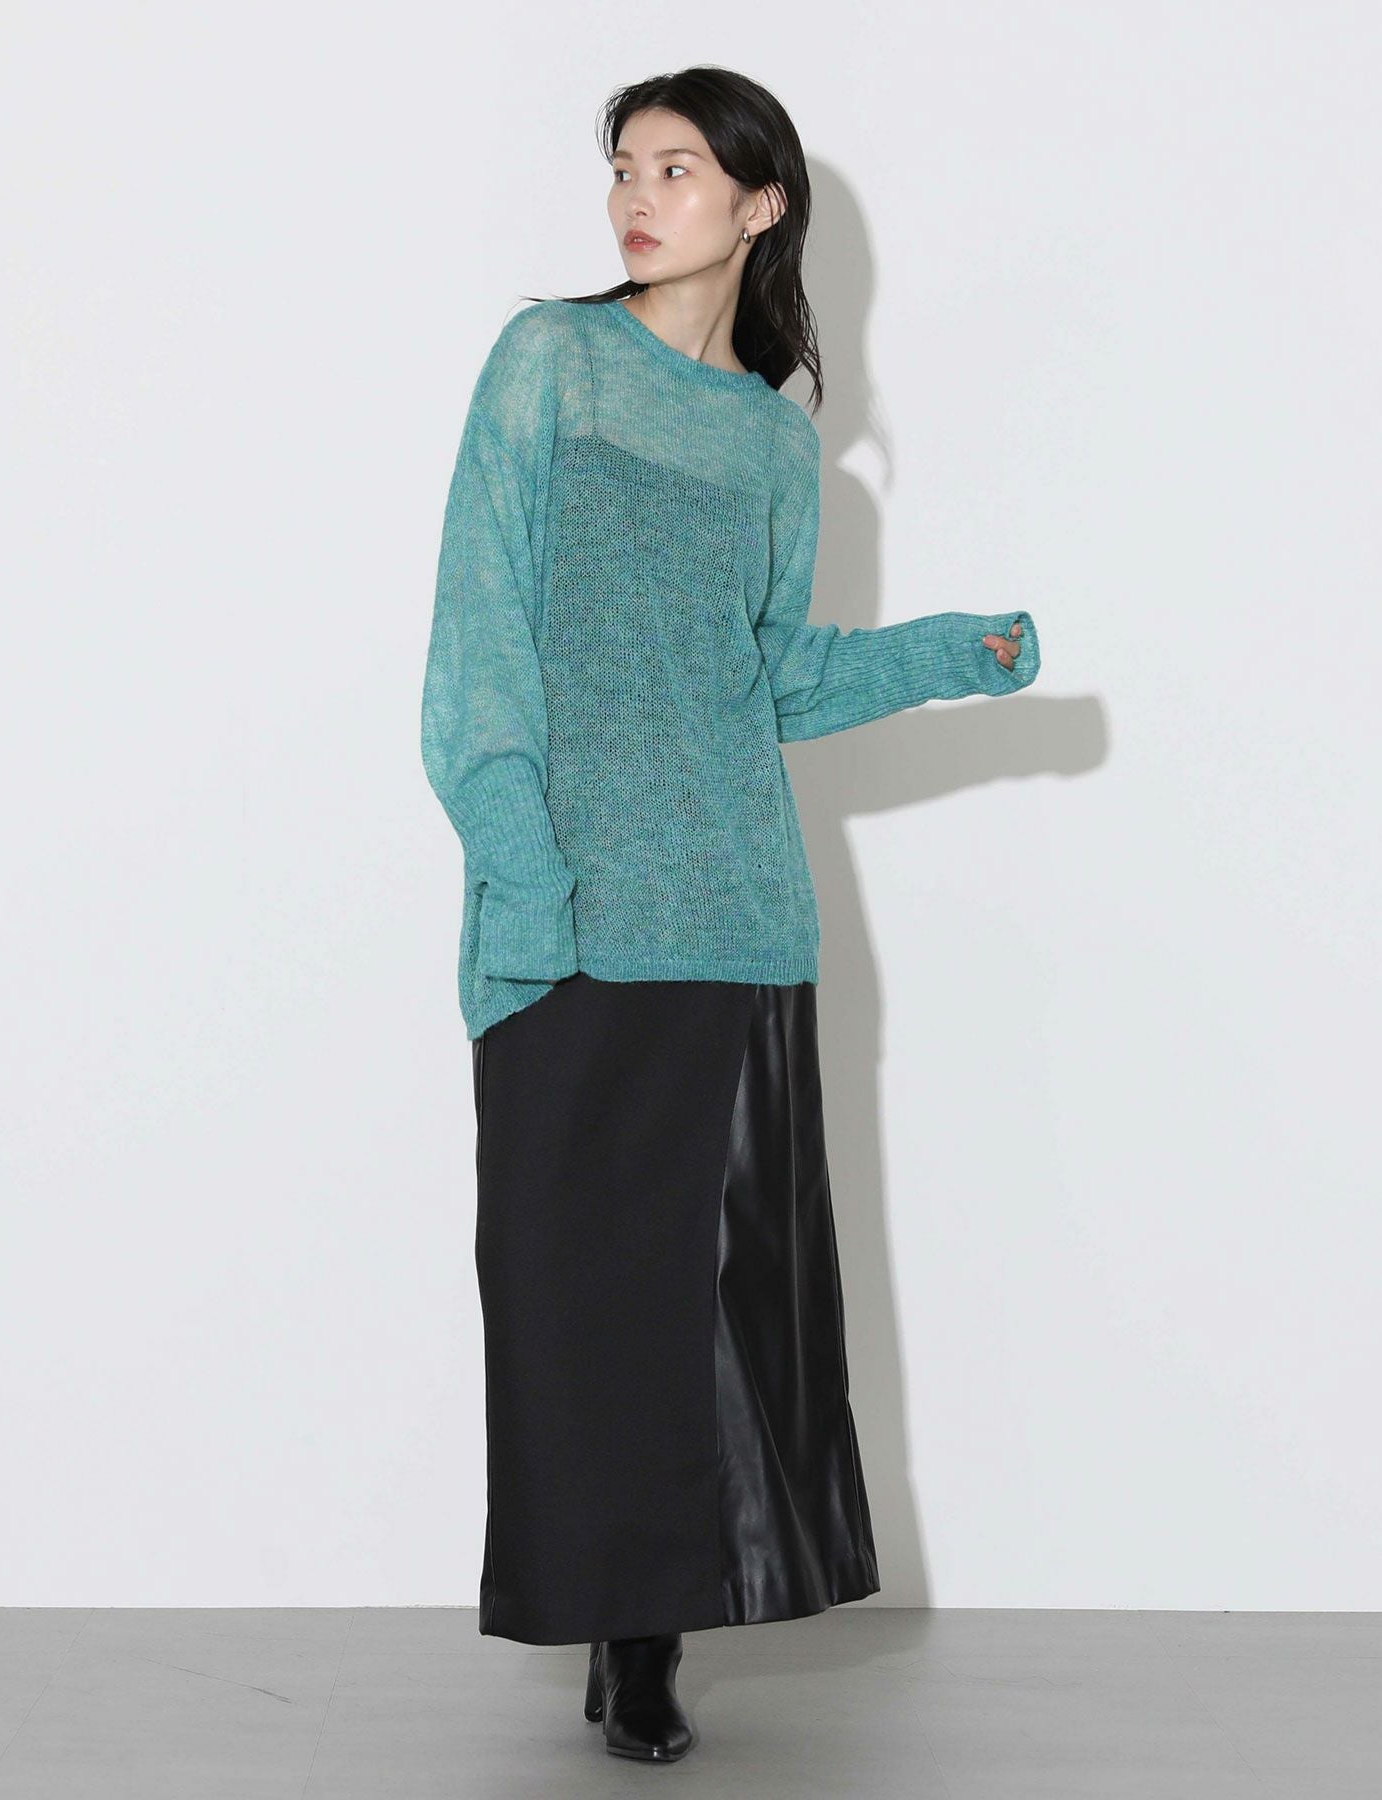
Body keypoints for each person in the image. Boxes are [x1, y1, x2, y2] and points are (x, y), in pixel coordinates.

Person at [420, 64, 1040, 1765]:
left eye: (677, 168)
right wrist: (524, 876)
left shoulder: (775, 441)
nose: (638, 196)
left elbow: (768, 674)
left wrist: (943, 656)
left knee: (704, 1313)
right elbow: (478, 637)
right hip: (566, 915)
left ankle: (647, 1643)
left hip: (737, 914)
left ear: (761, 205)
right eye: (626, 168)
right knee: (568, 1296)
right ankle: (602, 1604)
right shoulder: (548, 363)